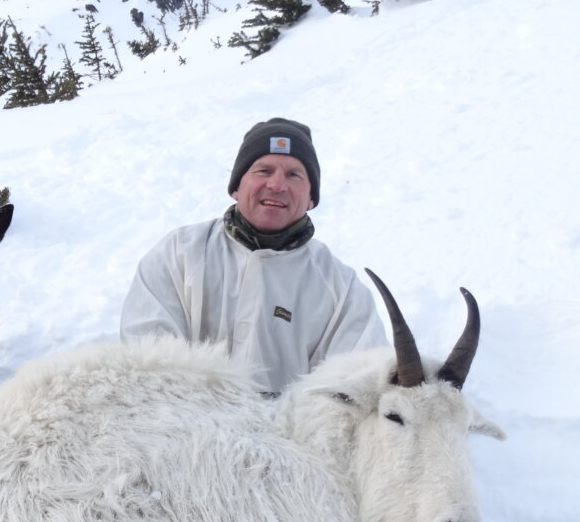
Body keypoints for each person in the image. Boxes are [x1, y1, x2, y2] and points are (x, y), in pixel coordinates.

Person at [120, 117, 385, 394]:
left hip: (290, 435)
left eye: (294, 174)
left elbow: (361, 383)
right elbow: (146, 359)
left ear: (311, 198)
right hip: (184, 429)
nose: (277, 185)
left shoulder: (341, 288)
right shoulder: (180, 253)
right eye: (263, 170)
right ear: (237, 186)